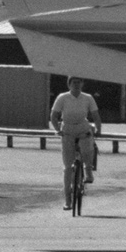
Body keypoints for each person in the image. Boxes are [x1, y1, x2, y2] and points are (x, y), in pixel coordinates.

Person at [50, 76, 102, 210]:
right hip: (67, 129)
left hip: (82, 127)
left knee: (88, 147)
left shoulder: (88, 97)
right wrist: (57, 129)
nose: (76, 85)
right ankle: (68, 200)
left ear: (83, 84)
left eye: (79, 82)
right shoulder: (63, 97)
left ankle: (88, 171)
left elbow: (95, 115)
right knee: (67, 167)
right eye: (74, 83)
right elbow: (54, 115)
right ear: (69, 85)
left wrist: (98, 129)